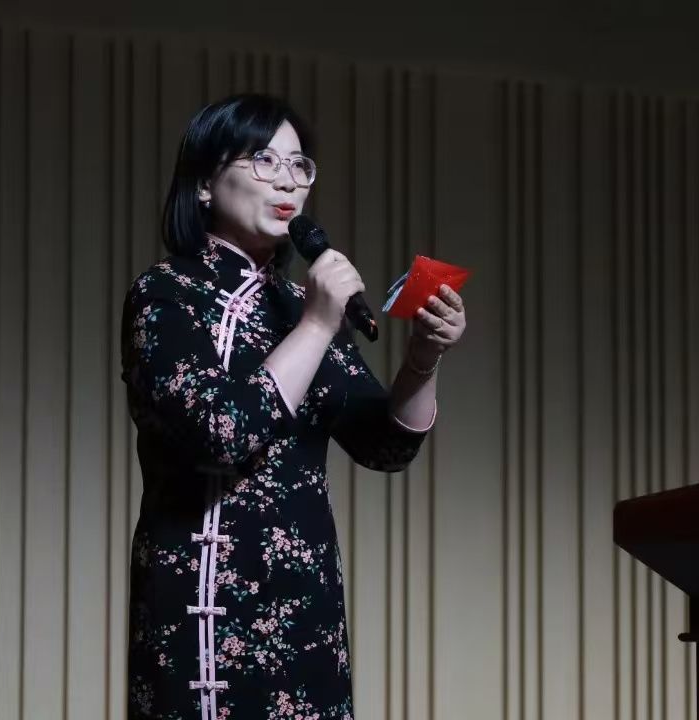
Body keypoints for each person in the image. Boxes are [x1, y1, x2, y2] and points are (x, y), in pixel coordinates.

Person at [121, 93, 466, 720]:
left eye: (299, 165)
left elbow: (387, 445)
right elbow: (222, 432)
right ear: (204, 184)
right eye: (263, 159)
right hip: (204, 602)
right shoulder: (168, 294)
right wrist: (316, 324)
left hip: (306, 607)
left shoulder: (301, 305)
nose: (287, 180)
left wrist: (422, 358)